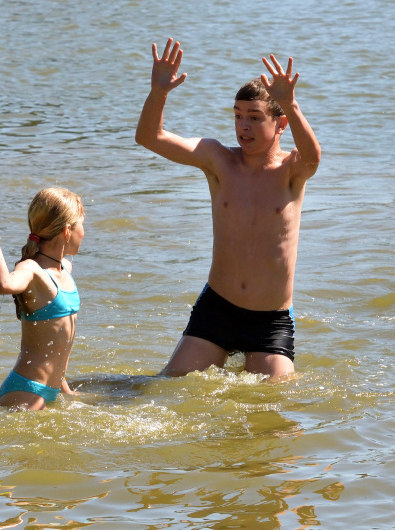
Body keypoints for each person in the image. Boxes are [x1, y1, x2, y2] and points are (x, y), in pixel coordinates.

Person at [135, 38, 321, 379]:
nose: (243, 126)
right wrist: (158, 92)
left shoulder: (291, 170)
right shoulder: (218, 160)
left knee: (275, 402)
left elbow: (313, 158)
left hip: (269, 320)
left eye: (254, 118)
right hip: (217, 310)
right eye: (238, 116)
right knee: (166, 388)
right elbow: (149, 137)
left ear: (280, 125)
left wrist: (291, 105)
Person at [0, 187, 86, 409]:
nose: (84, 233)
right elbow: (4, 284)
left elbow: (55, 346)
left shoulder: (65, 269)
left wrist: (66, 390)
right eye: (82, 225)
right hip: (25, 392)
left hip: (50, 391)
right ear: (67, 231)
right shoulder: (31, 269)